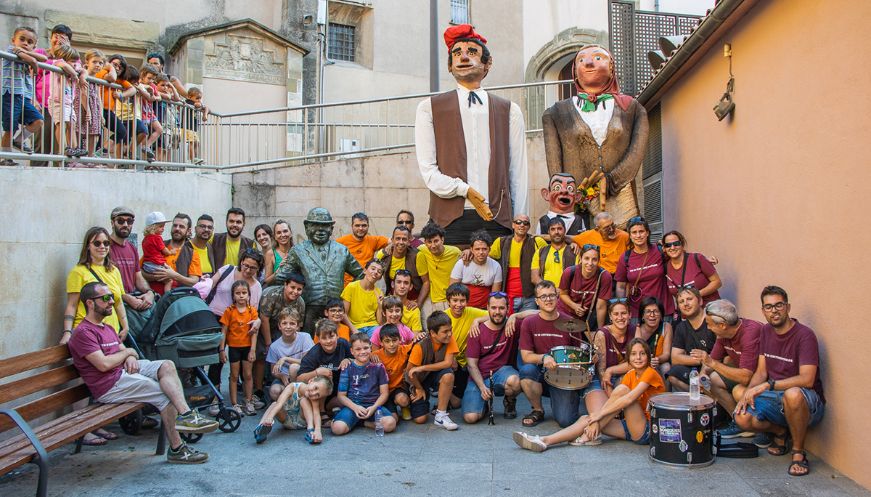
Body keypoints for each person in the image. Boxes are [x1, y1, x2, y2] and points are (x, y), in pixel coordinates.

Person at [67, 282, 218, 463]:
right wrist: (128, 353)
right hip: (109, 385)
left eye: (112, 297)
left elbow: (124, 350)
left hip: (123, 372)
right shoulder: (83, 332)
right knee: (164, 394)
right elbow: (103, 364)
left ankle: (186, 415)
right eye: (106, 298)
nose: (111, 302)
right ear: (90, 303)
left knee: (167, 365)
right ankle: (177, 449)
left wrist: (129, 356)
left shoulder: (106, 327)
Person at [415, 24, 527, 245]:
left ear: (488, 63)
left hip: (497, 218)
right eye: (457, 53)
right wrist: (464, 190)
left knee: (497, 279)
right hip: (447, 219)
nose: (464, 57)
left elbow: (518, 172)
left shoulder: (510, 110)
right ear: (449, 65)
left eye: (472, 52)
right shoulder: (429, 108)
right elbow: (428, 171)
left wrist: (520, 220)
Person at [542, 45, 648, 227]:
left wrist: (612, 181)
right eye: (581, 60)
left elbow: (636, 152)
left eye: (598, 58)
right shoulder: (555, 113)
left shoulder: (632, 108)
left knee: (622, 245)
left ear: (612, 66)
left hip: (620, 198)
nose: (589, 63)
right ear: (575, 71)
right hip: (578, 203)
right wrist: (568, 193)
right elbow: (554, 165)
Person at [734, 286, 825, 477]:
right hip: (776, 397)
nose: (774, 311)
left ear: (788, 307)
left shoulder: (804, 335)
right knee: (741, 414)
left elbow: (807, 380)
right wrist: (748, 393)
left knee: (792, 394)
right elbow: (761, 371)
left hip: (806, 401)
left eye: (778, 305)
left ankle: (798, 453)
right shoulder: (766, 331)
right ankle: (780, 431)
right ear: (763, 311)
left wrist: (768, 385)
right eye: (768, 307)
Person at [513, 338, 664, 452]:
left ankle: (590, 432)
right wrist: (596, 418)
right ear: (628, 358)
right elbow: (615, 399)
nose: (638, 358)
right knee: (586, 418)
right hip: (629, 426)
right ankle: (544, 440)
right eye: (634, 354)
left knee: (620, 395)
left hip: (646, 430)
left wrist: (598, 416)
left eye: (642, 354)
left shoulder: (650, 373)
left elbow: (629, 399)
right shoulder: (631, 374)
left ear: (649, 356)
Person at [519, 281, 606, 428]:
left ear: (557, 297)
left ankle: (566, 399)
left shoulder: (570, 323)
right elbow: (526, 356)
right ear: (536, 301)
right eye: (543, 296)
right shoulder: (529, 322)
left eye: (552, 295)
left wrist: (590, 358)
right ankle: (538, 410)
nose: (548, 299)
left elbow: (579, 353)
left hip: (565, 374)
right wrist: (544, 357)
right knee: (526, 371)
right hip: (541, 371)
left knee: (565, 421)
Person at [274, 207, 364, 333]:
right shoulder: (298, 251)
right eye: (315, 225)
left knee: (335, 343)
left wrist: (348, 296)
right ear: (307, 227)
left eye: (325, 226)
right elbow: (280, 277)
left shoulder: (341, 250)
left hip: (335, 309)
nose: (320, 230)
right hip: (309, 308)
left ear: (331, 228)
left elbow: (361, 274)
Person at [694, 299, 762, 439]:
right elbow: (710, 361)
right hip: (743, 374)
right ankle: (739, 423)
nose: (708, 328)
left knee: (738, 390)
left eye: (709, 324)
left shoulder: (750, 333)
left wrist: (712, 363)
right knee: (710, 381)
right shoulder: (723, 334)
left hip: (761, 379)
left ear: (722, 325)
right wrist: (702, 376)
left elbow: (746, 377)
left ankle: (756, 427)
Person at [206, 249, 264, 408]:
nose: (247, 270)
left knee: (243, 362)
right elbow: (210, 283)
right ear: (241, 262)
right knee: (216, 359)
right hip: (216, 318)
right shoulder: (227, 270)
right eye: (245, 265)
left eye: (253, 268)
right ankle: (214, 395)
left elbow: (253, 311)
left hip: (240, 324)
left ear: (258, 269)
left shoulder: (256, 286)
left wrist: (257, 321)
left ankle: (247, 396)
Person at [462, 292, 521, 423]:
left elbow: (537, 313)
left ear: (508, 308)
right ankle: (484, 405)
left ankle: (510, 401)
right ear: (487, 308)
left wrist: (515, 315)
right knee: (470, 418)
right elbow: (471, 365)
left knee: (515, 382)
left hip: (502, 372)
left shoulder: (513, 324)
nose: (497, 312)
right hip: (479, 376)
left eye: (501, 308)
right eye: (493, 308)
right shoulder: (476, 331)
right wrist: (482, 387)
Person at [331, 333, 396, 436]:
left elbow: (384, 393)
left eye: (366, 348)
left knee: (390, 424)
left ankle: (363, 423)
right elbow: (341, 395)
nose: (362, 352)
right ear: (352, 351)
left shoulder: (379, 367)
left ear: (370, 348)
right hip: (353, 407)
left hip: (373, 406)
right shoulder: (347, 367)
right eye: (358, 349)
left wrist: (374, 407)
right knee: (337, 429)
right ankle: (349, 418)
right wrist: (355, 407)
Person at [256, 272, 306, 403]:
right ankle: (258, 390)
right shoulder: (271, 295)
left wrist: (296, 341)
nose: (295, 291)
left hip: (286, 327)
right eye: (292, 287)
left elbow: (298, 326)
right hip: (265, 325)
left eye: (299, 289)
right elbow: (264, 319)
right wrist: (268, 343)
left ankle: (288, 388)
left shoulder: (300, 303)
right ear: (285, 285)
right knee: (262, 354)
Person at [405, 311, 459, 430]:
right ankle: (412, 400)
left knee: (448, 375)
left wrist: (423, 367)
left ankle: (441, 415)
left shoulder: (449, 338)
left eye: (450, 329)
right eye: (445, 331)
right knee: (420, 419)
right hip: (418, 379)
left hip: (435, 373)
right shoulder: (420, 346)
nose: (449, 334)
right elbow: (410, 373)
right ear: (433, 333)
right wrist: (418, 388)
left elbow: (448, 363)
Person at [1, 26, 45, 164]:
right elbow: (33, 61)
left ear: (34, 45)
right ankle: (5, 157)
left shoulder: (24, 52)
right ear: (13, 40)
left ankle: (18, 141)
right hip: (11, 93)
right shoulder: (12, 50)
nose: (25, 43)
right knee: (10, 127)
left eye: (30, 42)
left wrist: (33, 59)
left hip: (24, 97)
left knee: (38, 120)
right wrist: (35, 65)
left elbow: (43, 58)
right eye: (22, 39)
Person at [614, 216, 671, 320]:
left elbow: (679, 259)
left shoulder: (660, 251)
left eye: (641, 231)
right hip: (637, 313)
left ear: (647, 233)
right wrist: (622, 306)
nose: (638, 235)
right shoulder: (625, 257)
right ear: (630, 236)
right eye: (634, 232)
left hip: (663, 310)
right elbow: (621, 286)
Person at [488, 214, 547, 314]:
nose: (522, 225)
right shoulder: (501, 242)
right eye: (518, 222)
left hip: (530, 297)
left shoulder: (537, 241)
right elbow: (483, 257)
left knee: (527, 327)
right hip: (507, 298)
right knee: (508, 327)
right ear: (513, 225)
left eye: (525, 223)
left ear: (529, 227)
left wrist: (572, 243)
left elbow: (552, 251)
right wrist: (468, 252)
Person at [444, 283, 488, 407]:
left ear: (467, 301)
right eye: (455, 300)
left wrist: (477, 320)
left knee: (457, 403)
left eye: (462, 301)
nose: (458, 304)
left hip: (464, 363)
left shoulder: (471, 312)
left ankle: (449, 394)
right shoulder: (444, 316)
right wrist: (450, 356)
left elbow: (495, 315)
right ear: (448, 301)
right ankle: (442, 391)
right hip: (448, 359)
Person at [253, 376, 332, 445]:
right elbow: (279, 404)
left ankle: (310, 430)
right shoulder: (292, 387)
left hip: (302, 422)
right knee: (274, 404)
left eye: (317, 395)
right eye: (315, 388)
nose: (313, 393)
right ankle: (261, 427)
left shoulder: (313, 398)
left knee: (304, 400)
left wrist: (318, 431)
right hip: (286, 419)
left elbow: (316, 413)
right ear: (311, 380)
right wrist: (270, 417)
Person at [218, 280, 259, 416]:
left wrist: (253, 350)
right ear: (233, 295)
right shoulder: (229, 311)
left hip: (247, 347)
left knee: (248, 375)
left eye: (244, 293)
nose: (241, 296)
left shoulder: (252, 311)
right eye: (238, 293)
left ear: (248, 295)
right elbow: (224, 331)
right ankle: (235, 403)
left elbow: (254, 332)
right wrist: (222, 349)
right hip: (234, 348)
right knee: (234, 376)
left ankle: (248, 401)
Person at [297, 319, 353, 416]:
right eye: (324, 338)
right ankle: (321, 411)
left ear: (337, 335)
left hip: (341, 389)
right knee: (325, 374)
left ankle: (331, 410)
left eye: (331, 336)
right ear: (318, 339)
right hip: (321, 393)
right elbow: (299, 379)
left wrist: (349, 359)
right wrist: (316, 372)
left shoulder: (343, 344)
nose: (328, 341)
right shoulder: (314, 354)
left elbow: (360, 359)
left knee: (346, 404)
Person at [107, 206, 156, 312]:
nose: (125, 225)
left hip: (134, 300)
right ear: (112, 223)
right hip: (114, 304)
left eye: (129, 221)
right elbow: (102, 283)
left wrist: (149, 293)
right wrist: (125, 297)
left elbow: (138, 277)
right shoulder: (104, 247)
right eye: (120, 221)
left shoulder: (132, 248)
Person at [667, 286, 715, 391]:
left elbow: (720, 356)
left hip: (715, 368)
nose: (685, 304)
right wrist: (702, 359)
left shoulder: (712, 322)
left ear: (700, 301)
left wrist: (707, 361)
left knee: (709, 378)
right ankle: (696, 398)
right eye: (681, 301)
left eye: (689, 299)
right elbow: (675, 358)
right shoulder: (681, 327)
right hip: (695, 368)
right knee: (673, 373)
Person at [557, 243, 611, 332]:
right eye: (586, 258)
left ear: (598, 261)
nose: (590, 263)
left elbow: (600, 306)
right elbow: (562, 294)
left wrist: (601, 331)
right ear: (580, 258)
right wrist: (574, 306)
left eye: (594, 260)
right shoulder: (570, 272)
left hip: (586, 316)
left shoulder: (604, 276)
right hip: (565, 312)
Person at [417, 222, 461, 326]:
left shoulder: (455, 252)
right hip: (431, 300)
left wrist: (468, 251)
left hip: (450, 299)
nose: (433, 245)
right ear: (425, 242)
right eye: (429, 242)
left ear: (442, 239)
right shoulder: (422, 250)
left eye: (436, 241)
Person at [145, 213, 202, 293]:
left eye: (181, 226)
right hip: (153, 296)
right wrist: (157, 276)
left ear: (188, 231)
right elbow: (141, 271)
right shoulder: (156, 244)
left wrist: (174, 275)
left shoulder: (192, 253)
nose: (177, 228)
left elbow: (194, 281)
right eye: (175, 225)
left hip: (179, 298)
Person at [265, 307, 314, 401]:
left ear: (297, 326)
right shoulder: (274, 347)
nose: (288, 327)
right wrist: (281, 376)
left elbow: (306, 362)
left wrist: (285, 359)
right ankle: (286, 409)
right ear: (279, 326)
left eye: (292, 323)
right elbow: (273, 371)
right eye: (284, 323)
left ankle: (296, 400)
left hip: (303, 374)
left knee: (294, 367)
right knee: (275, 390)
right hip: (285, 377)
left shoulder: (305, 338)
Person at [663, 230, 722, 305]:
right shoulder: (665, 267)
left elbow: (717, 282)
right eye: (668, 245)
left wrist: (697, 294)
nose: (672, 247)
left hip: (710, 310)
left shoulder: (697, 258)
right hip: (687, 314)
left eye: (676, 244)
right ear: (664, 248)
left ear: (682, 244)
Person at [593, 298, 637, 394]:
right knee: (600, 408)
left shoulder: (635, 330)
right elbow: (601, 370)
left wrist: (611, 370)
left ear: (630, 315)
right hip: (603, 379)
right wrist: (611, 396)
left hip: (626, 376)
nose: (620, 317)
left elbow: (637, 363)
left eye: (624, 313)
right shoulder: (602, 334)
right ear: (610, 317)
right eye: (616, 314)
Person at [450, 230, 502, 309]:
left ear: (489, 249)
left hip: (484, 309)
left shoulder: (496, 266)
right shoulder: (462, 263)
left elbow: (494, 295)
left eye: (484, 249)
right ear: (471, 249)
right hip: (463, 308)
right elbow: (452, 290)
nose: (481, 252)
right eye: (477, 249)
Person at [374, 324, 414, 420]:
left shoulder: (404, 350)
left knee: (403, 400)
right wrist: (347, 360)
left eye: (394, 340)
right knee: (394, 420)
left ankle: (404, 407)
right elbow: (360, 357)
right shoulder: (375, 356)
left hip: (398, 388)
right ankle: (391, 409)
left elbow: (418, 345)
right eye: (387, 341)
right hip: (383, 391)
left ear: (400, 339)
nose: (391, 344)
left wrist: (420, 336)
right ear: (381, 342)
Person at [336, 212, 388, 286]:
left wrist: (389, 247)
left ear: (368, 226)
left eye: (364, 225)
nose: (361, 228)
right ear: (352, 226)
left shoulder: (373, 240)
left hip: (366, 285)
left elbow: (394, 241)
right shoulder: (340, 242)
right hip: (346, 287)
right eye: (357, 225)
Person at [376, 225, 424, 301]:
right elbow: (375, 279)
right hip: (391, 301)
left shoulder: (417, 255)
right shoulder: (383, 255)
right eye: (398, 238)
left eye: (404, 239)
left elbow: (426, 282)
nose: (401, 242)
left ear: (408, 242)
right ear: (392, 240)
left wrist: (418, 303)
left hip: (413, 300)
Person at [341, 259, 385, 336]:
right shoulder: (351, 287)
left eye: (379, 271)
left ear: (380, 277)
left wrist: (380, 305)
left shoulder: (379, 293)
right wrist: (353, 329)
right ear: (365, 271)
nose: (375, 272)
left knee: (379, 334)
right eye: (373, 269)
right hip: (355, 326)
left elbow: (380, 322)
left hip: (372, 326)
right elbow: (344, 313)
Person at [139, 211, 176, 295]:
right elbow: (165, 251)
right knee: (169, 280)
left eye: (163, 226)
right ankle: (167, 297)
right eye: (160, 226)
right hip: (156, 265)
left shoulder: (145, 239)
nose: (163, 228)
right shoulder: (157, 238)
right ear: (153, 227)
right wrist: (171, 252)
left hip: (147, 265)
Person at [635, 297, 672, 378]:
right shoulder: (637, 328)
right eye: (648, 311)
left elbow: (666, 354)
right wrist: (647, 361)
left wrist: (657, 360)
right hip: (641, 363)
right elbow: (637, 353)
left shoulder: (666, 327)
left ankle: (665, 391)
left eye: (656, 311)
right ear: (642, 315)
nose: (652, 315)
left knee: (666, 367)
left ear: (661, 315)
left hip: (658, 363)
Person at [539, 217, 577, 288]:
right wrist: (549, 289)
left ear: (564, 230)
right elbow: (534, 276)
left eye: (559, 229)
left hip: (568, 295)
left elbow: (578, 276)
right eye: (553, 229)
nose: (556, 232)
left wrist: (563, 291)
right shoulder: (541, 252)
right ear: (548, 232)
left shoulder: (574, 251)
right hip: (547, 295)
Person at [263, 219, 293, 286]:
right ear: (275, 237)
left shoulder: (298, 251)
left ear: (291, 233)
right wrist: (279, 271)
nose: (282, 235)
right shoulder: (270, 254)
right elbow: (266, 281)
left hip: (296, 292)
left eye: (285, 231)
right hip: (277, 292)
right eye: (278, 233)